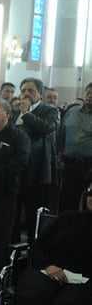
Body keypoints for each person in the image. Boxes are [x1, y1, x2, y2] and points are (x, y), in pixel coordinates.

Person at [0, 97, 30, 278]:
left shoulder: (19, 136)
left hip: (5, 191)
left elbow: (19, 163)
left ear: (7, 114)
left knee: (1, 233)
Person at [17, 77, 59, 242]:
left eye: (31, 90)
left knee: (35, 218)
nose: (26, 94)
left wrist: (26, 113)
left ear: (40, 94)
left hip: (38, 171)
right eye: (23, 91)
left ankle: (35, 258)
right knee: (13, 217)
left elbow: (45, 128)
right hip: (18, 171)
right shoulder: (15, 111)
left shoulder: (49, 110)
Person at [57, 82, 92, 211]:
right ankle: (65, 230)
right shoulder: (72, 111)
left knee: (87, 203)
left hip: (89, 165)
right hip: (70, 163)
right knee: (66, 200)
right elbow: (61, 134)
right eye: (88, 93)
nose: (90, 96)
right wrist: (59, 155)